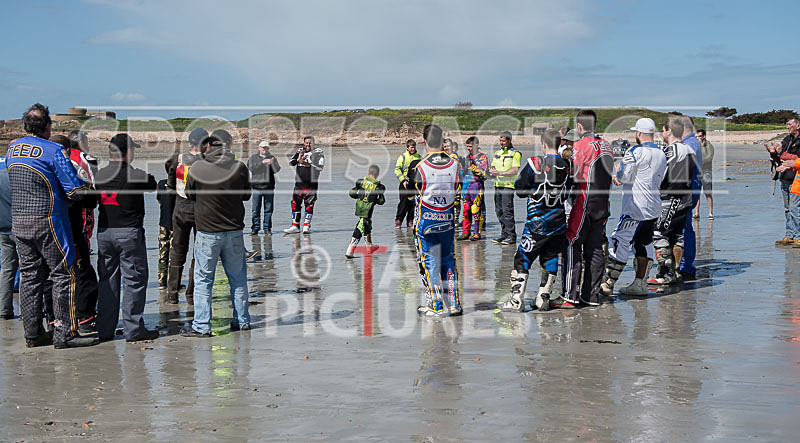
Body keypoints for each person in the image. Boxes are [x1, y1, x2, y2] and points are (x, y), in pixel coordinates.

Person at [5, 103, 97, 348]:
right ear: (47, 127)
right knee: (64, 275)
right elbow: (75, 190)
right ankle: (64, 334)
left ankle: (33, 333)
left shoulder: (12, 148)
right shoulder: (54, 149)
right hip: (47, 220)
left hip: (19, 221)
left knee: (30, 277)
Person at [181, 130, 251, 337]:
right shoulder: (239, 167)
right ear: (227, 145)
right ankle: (242, 320)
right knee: (238, 279)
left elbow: (189, 194)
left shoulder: (198, 167)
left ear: (209, 146)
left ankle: (202, 326)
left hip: (208, 231)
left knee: (203, 280)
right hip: (234, 230)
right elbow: (246, 195)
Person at [94, 134, 159, 342]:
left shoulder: (100, 174)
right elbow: (152, 184)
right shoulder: (135, 174)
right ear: (127, 152)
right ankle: (133, 329)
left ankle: (104, 329)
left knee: (107, 281)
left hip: (104, 232)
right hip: (129, 233)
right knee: (134, 281)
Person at [500, 129, 569, 312]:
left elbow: (520, 189)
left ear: (543, 144)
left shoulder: (535, 163)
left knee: (522, 258)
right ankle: (543, 298)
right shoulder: (567, 164)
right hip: (559, 222)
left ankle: (516, 300)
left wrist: (533, 189)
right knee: (551, 257)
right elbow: (569, 191)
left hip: (537, 222)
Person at [600, 118, 667, 296]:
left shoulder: (635, 151)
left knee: (619, 240)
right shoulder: (661, 152)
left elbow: (624, 176)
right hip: (654, 204)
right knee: (643, 243)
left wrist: (617, 174)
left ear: (638, 133)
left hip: (636, 205)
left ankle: (608, 283)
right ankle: (640, 283)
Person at [560, 109, 614, 307]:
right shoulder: (607, 145)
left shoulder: (581, 145)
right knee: (596, 248)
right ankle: (591, 295)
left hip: (585, 201)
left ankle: (569, 296)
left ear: (579, 127)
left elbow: (571, 170)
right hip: (604, 203)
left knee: (572, 243)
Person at [407, 124, 462, 317]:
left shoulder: (419, 166)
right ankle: (454, 303)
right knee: (448, 258)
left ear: (424, 141)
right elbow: (457, 188)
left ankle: (436, 305)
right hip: (447, 217)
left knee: (429, 260)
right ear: (442, 140)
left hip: (426, 220)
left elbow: (412, 190)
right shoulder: (456, 164)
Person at [49, 134, 99, 332]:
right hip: (72, 224)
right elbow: (88, 191)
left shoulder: (43, 166)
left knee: (52, 273)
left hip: (49, 226)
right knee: (81, 271)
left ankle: (53, 319)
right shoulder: (77, 162)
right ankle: (84, 318)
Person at [649, 118, 696, 285]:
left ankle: (664, 273)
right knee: (677, 235)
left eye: (663, 130)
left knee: (659, 233)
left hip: (670, 196)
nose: (661, 134)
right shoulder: (689, 148)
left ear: (669, 131)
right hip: (685, 196)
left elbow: (661, 172)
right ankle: (675, 271)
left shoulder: (670, 150)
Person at [164, 127, 207, 304]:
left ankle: (172, 293)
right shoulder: (207, 162)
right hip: (200, 211)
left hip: (180, 210)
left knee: (177, 251)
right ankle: (191, 294)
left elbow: (170, 184)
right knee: (198, 254)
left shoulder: (177, 160)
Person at [766, 115, 800, 246]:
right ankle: (790, 234)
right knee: (788, 209)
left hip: (796, 180)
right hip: (784, 178)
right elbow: (780, 160)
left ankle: (798, 235)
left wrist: (782, 155)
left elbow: (795, 159)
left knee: (795, 209)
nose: (787, 127)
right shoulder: (787, 139)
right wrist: (774, 153)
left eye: (790, 125)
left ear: (798, 126)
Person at [284, 136, 325, 234]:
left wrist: (306, 163)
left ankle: (306, 225)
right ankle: (295, 226)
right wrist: (298, 159)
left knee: (309, 204)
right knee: (295, 204)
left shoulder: (318, 152)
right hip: (298, 184)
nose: (308, 145)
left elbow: (320, 167)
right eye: (306, 143)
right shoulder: (300, 151)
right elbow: (291, 163)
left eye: (310, 143)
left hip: (311, 185)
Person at [678, 115, 702, 279]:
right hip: (693, 186)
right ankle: (685, 263)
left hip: (689, 187)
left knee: (685, 227)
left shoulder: (689, 144)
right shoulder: (692, 142)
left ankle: (687, 265)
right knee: (685, 226)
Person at [345, 165, 386, 258]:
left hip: (359, 207)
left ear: (368, 172)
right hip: (368, 210)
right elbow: (381, 201)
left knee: (366, 225)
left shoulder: (360, 182)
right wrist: (378, 198)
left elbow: (352, 193)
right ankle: (350, 250)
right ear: (378, 174)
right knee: (360, 227)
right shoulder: (379, 187)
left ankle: (369, 246)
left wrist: (358, 196)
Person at [489, 131, 522, 245]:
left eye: (503, 141)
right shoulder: (498, 152)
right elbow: (493, 166)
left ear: (509, 140)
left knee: (507, 211)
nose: (501, 143)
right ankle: (504, 235)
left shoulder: (515, 153)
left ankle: (511, 236)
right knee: (499, 211)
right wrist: (491, 171)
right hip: (498, 185)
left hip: (508, 186)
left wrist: (500, 172)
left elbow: (515, 170)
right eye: (500, 141)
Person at [457, 136, 489, 240]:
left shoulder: (483, 157)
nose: (468, 149)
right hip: (466, 187)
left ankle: (476, 233)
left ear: (476, 145)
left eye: (470, 146)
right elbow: (461, 174)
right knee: (466, 211)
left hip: (476, 187)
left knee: (476, 210)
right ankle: (465, 232)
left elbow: (483, 174)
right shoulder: (467, 157)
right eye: (467, 146)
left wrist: (472, 166)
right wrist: (461, 166)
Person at [247, 140, 281, 235]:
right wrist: (262, 162)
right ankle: (255, 228)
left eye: (266, 148)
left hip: (269, 188)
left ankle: (267, 229)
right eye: (263, 147)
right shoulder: (253, 157)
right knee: (255, 210)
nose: (264, 149)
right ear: (259, 148)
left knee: (268, 210)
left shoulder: (272, 157)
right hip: (256, 187)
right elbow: (250, 167)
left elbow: (277, 170)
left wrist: (272, 163)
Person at [0, 154, 17, 320]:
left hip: (3, 228)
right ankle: (34, 310)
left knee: (6, 270)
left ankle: (4, 309)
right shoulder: (18, 176)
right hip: (22, 227)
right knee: (30, 271)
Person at [394, 139, 420, 228]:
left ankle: (410, 220)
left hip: (415, 184)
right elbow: (397, 170)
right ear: (407, 147)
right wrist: (403, 180)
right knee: (403, 203)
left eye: (414, 147)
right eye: (411, 147)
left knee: (413, 203)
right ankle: (398, 220)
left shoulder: (418, 157)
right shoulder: (402, 157)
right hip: (404, 183)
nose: (413, 149)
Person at [156, 173, 175, 289]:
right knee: (173, 255)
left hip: (163, 223)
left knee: (162, 252)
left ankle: (161, 280)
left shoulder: (161, 183)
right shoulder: (179, 185)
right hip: (175, 224)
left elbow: (159, 200)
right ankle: (172, 282)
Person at [694, 129, 714, 219]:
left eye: (699, 136)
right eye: (696, 136)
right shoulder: (695, 146)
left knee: (708, 193)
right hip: (696, 172)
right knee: (696, 193)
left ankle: (710, 213)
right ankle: (696, 213)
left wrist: (698, 161)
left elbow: (709, 158)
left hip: (706, 172)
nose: (697, 138)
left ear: (704, 136)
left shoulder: (709, 146)